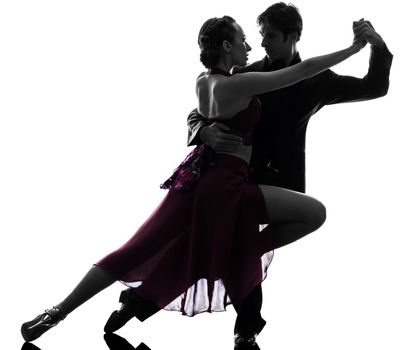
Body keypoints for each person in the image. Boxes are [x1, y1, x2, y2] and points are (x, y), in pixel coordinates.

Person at [21, 14, 365, 345]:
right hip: (226, 185)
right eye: (243, 38)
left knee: (133, 249)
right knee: (313, 214)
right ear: (227, 46)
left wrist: (204, 129)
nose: (250, 45)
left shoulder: (203, 82)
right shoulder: (241, 83)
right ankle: (234, 264)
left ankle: (56, 312)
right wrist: (353, 49)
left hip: (195, 177)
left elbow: (201, 114)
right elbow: (303, 70)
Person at [184, 3, 393, 347]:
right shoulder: (245, 73)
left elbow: (375, 87)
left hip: (284, 180)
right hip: (238, 176)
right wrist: (201, 131)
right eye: (261, 34)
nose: (262, 42)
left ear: (293, 36)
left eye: (270, 36)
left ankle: (154, 304)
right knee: (240, 252)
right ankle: (245, 330)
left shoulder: (318, 80)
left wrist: (377, 46)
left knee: (244, 249)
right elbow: (199, 109)